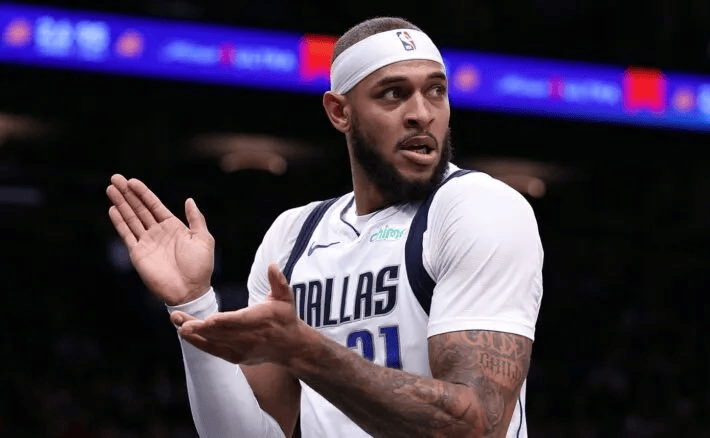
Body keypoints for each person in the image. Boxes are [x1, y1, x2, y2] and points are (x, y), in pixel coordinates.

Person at [106, 16, 543, 438]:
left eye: (436, 91)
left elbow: (476, 428)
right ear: (339, 112)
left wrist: (304, 350)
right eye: (393, 94)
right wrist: (195, 303)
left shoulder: (478, 207)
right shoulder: (293, 236)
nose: (421, 113)